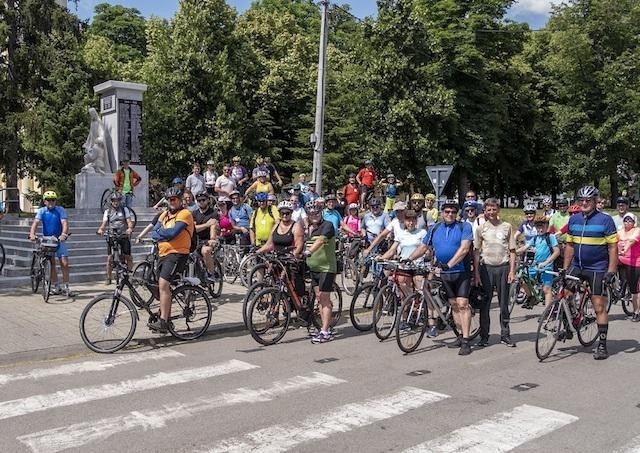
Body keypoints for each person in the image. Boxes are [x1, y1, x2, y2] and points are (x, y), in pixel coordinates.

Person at [410, 200, 474, 355]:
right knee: (453, 304)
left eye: (453, 211)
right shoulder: (435, 228)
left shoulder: (464, 227)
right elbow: (424, 247)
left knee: (462, 304)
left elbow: (465, 248)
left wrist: (450, 264)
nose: (450, 214)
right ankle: (459, 335)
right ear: (442, 212)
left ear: (457, 213)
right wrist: (409, 258)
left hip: (461, 271)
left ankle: (466, 340)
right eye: (447, 211)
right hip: (444, 274)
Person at [564, 185, 618, 360]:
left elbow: (612, 247)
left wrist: (611, 271)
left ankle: (602, 345)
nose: (585, 203)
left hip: (597, 268)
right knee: (565, 293)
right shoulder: (574, 220)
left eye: (588, 200)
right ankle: (570, 324)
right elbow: (570, 246)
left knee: (598, 306)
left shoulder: (605, 220)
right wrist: (565, 269)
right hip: (577, 265)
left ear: (595, 201)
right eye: (582, 200)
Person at [148, 187, 195, 333]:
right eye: (169, 199)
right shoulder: (164, 215)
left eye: (174, 199)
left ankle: (163, 321)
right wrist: (164, 234)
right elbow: (154, 233)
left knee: (163, 284)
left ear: (180, 200)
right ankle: (166, 316)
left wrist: (162, 233)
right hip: (162, 254)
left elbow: (173, 232)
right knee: (156, 286)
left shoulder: (185, 213)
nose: (171, 202)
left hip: (178, 254)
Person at [473, 197, 517, 347]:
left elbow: (512, 250)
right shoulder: (481, 228)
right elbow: (477, 252)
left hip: (503, 268)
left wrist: (512, 271)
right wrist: (477, 274)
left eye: (494, 209)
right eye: (488, 210)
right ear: (484, 211)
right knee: (485, 304)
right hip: (486, 269)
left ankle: (505, 334)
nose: (491, 212)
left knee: (504, 304)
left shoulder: (507, 226)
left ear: (498, 210)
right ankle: (484, 336)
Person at [28, 191, 75, 297]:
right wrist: (32, 234)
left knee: (65, 263)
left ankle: (66, 287)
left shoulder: (60, 210)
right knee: (52, 263)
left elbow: (65, 223)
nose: (51, 202)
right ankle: (56, 286)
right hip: (47, 240)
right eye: (48, 200)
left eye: (53, 200)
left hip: (59, 239)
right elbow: (35, 223)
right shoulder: (41, 211)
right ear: (44, 201)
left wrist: (63, 234)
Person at [304, 204, 338, 344]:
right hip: (314, 269)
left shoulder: (327, 225)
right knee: (320, 298)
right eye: (311, 214)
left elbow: (321, 240)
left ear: (321, 213)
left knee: (324, 298)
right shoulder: (309, 228)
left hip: (326, 268)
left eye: (316, 213)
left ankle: (325, 332)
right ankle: (326, 326)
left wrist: (309, 251)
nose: (314, 215)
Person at [515, 216, 560, 307]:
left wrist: (547, 262)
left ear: (547, 226)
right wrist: (513, 252)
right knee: (523, 279)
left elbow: (557, 252)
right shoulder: (535, 238)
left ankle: (546, 312)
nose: (540, 229)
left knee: (546, 289)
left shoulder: (550, 237)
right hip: (535, 265)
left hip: (547, 265)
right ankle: (531, 296)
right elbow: (525, 247)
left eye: (542, 226)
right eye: (538, 227)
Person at [96, 191, 134, 285]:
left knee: (128, 257)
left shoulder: (124, 209)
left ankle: (129, 276)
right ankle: (108, 277)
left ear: (120, 201)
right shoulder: (107, 211)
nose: (116, 202)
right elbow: (104, 224)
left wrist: (129, 228)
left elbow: (129, 221)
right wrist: (101, 230)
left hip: (123, 234)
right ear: (111, 201)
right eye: (113, 200)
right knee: (109, 258)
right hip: (112, 235)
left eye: (117, 200)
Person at [617, 213, 640, 321]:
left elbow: (631, 241)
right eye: (625, 220)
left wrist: (624, 250)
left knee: (634, 290)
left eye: (630, 220)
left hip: (635, 263)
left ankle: (636, 312)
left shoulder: (637, 231)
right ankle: (614, 291)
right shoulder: (620, 232)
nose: (627, 222)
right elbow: (612, 241)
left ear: (634, 222)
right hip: (621, 260)